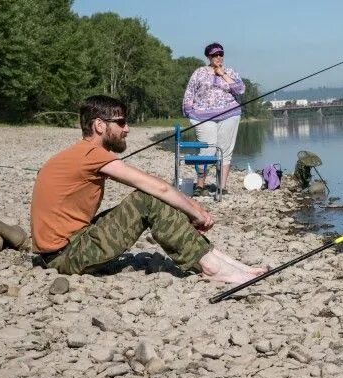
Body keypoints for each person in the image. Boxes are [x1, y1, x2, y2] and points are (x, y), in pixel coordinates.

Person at [30, 95, 264, 284]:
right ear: (99, 125)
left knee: (154, 198)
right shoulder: (90, 155)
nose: (127, 129)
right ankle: (213, 267)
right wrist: (197, 213)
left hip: (67, 246)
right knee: (148, 199)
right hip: (66, 256)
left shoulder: (78, 154)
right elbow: (156, 188)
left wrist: (191, 208)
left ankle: (223, 261)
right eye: (121, 122)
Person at [182, 42, 245, 194]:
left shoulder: (230, 72)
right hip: (203, 116)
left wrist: (222, 74)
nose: (218, 57)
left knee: (225, 151)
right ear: (208, 56)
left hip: (230, 114)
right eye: (214, 55)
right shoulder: (199, 72)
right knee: (208, 150)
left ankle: (221, 187)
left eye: (220, 54)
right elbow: (189, 92)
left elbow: (240, 90)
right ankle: (200, 185)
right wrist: (189, 113)